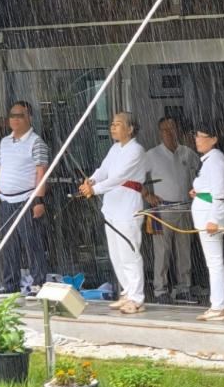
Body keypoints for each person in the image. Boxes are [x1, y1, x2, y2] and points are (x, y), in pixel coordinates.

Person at [80, 112, 147, 315]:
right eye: (112, 124)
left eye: (118, 124)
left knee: (129, 252)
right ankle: (126, 292)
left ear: (130, 129)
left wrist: (95, 189)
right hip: (112, 206)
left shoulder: (136, 150)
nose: (112, 127)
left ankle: (137, 297)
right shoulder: (115, 148)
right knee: (116, 253)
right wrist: (91, 180)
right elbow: (103, 169)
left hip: (128, 205)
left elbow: (119, 177)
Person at [0, 101, 49, 299]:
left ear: (29, 117)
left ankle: (38, 284)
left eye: (20, 115)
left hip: (27, 199)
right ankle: (10, 284)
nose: (15, 119)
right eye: (12, 115)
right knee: (8, 244)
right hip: (6, 199)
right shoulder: (4, 142)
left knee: (32, 244)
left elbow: (41, 172)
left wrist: (38, 200)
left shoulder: (36, 142)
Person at [144, 117, 200, 304]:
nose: (168, 133)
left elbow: (201, 172)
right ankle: (160, 290)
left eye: (171, 128)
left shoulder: (187, 153)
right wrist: (147, 195)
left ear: (177, 130)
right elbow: (135, 178)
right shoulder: (152, 155)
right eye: (164, 130)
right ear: (159, 133)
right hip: (163, 209)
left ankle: (184, 287)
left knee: (184, 250)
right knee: (162, 251)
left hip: (184, 206)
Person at [190, 122, 224, 321]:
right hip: (208, 213)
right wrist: (199, 192)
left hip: (210, 216)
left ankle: (217, 306)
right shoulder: (214, 159)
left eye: (202, 136)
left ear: (214, 139)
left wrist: (214, 219)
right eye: (196, 136)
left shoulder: (215, 161)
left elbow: (219, 193)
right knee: (216, 261)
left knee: (214, 262)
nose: (197, 140)